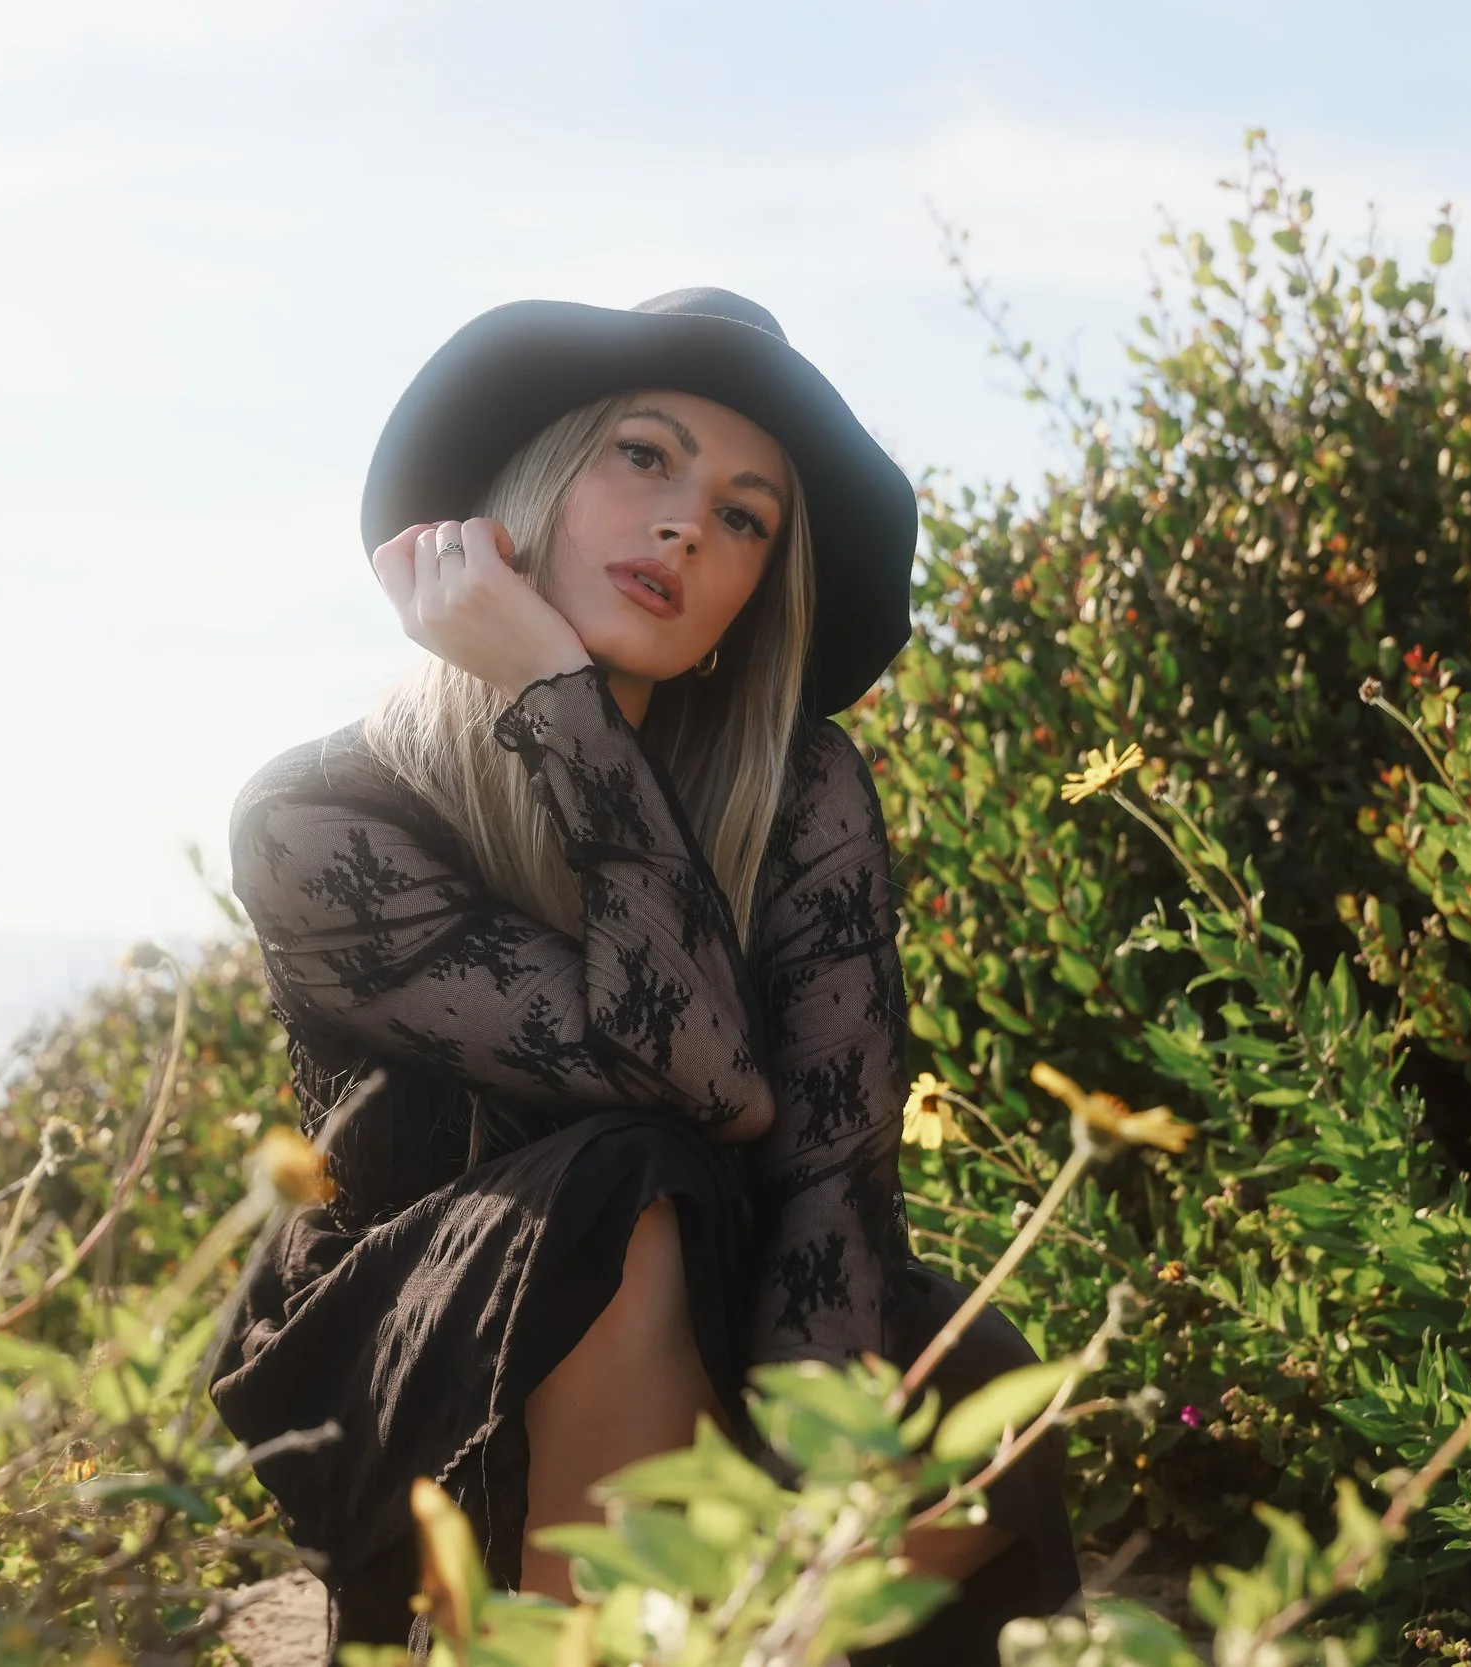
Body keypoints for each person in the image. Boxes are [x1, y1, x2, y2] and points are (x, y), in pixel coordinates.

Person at [212, 288, 1079, 1657]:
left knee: (966, 1370)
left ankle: (747, 1625)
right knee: (631, 1188)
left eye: (745, 515)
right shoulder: (324, 817)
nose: (687, 521)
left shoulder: (801, 788)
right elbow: (697, 1079)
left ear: (751, 594)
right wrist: (556, 697)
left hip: (738, 1348)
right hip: (437, 1359)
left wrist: (813, 1486)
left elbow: (829, 1177)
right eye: (642, 456)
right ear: (529, 491)